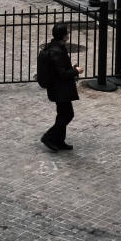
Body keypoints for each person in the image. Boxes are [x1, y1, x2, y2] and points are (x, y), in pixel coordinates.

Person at [39, 23, 82, 152]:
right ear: (63, 36)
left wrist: (72, 69)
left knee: (62, 114)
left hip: (59, 87)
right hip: (60, 89)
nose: (68, 35)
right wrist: (76, 71)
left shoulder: (56, 47)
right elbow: (62, 73)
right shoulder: (56, 51)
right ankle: (49, 137)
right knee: (68, 114)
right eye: (67, 33)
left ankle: (59, 140)